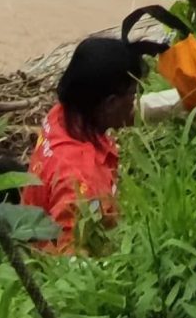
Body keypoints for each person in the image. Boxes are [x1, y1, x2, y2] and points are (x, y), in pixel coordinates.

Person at [28, 36, 155, 249]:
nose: (134, 102)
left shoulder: (62, 116)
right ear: (110, 104)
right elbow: (70, 261)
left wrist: (186, 100)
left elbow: (124, 115)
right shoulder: (83, 182)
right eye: (132, 95)